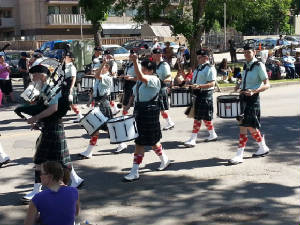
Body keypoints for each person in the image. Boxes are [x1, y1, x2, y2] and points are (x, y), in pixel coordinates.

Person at [21, 64, 83, 203]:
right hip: (51, 126)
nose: (33, 78)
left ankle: (36, 190)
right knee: (61, 158)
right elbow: (46, 109)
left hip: (53, 127)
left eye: (34, 75)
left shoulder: (51, 88)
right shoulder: (45, 87)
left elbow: (53, 108)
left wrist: (36, 118)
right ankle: (76, 180)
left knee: (40, 159)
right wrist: (39, 122)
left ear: (41, 75)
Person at [123, 55, 170, 181]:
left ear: (150, 70)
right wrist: (128, 105)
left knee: (140, 142)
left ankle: (134, 171)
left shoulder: (154, 79)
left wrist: (134, 61)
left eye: (143, 68)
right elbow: (134, 94)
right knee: (151, 142)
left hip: (149, 110)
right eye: (142, 68)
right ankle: (165, 160)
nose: (142, 70)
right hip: (140, 110)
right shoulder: (140, 80)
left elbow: (140, 77)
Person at [228, 44, 270, 165]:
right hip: (243, 97)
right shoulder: (246, 65)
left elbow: (267, 84)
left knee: (245, 126)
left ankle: (239, 155)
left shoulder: (259, 65)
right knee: (249, 126)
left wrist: (254, 91)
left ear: (254, 52)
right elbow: (244, 79)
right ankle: (262, 147)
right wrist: (239, 85)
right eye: (245, 52)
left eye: (248, 52)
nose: (246, 54)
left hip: (252, 98)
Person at [78, 60, 113, 159]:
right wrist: (90, 101)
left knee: (108, 128)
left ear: (107, 67)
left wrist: (102, 65)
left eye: (101, 67)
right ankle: (89, 151)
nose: (97, 69)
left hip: (104, 103)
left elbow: (97, 75)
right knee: (96, 129)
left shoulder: (107, 78)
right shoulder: (99, 77)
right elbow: (95, 91)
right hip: (98, 103)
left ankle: (121, 143)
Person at [184, 49, 218, 147]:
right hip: (198, 94)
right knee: (204, 118)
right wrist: (189, 82)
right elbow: (196, 80)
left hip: (205, 94)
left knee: (198, 118)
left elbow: (212, 83)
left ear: (206, 58)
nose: (198, 59)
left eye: (200, 57)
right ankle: (212, 134)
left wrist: (199, 86)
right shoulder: (199, 68)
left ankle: (193, 139)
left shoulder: (210, 68)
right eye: (197, 57)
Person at [115, 56, 140, 153]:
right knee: (125, 108)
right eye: (130, 55)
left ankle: (129, 130)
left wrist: (131, 78)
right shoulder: (129, 65)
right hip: (128, 86)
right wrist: (124, 77)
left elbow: (139, 78)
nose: (131, 56)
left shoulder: (139, 65)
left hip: (135, 87)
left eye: (133, 55)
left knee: (135, 113)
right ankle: (125, 127)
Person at [152, 48, 175, 130]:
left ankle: (169, 122)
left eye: (155, 54)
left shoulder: (164, 65)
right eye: (153, 54)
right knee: (159, 109)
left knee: (161, 109)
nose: (153, 56)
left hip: (161, 88)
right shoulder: (154, 64)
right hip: (155, 89)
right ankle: (169, 122)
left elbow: (169, 78)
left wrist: (159, 80)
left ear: (160, 55)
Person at [63, 51, 83, 123]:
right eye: (65, 57)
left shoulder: (72, 67)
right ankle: (79, 116)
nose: (65, 58)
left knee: (72, 103)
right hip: (65, 86)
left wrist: (71, 88)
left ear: (71, 59)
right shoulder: (64, 66)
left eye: (66, 57)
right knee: (69, 103)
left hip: (70, 86)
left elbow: (74, 78)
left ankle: (80, 116)